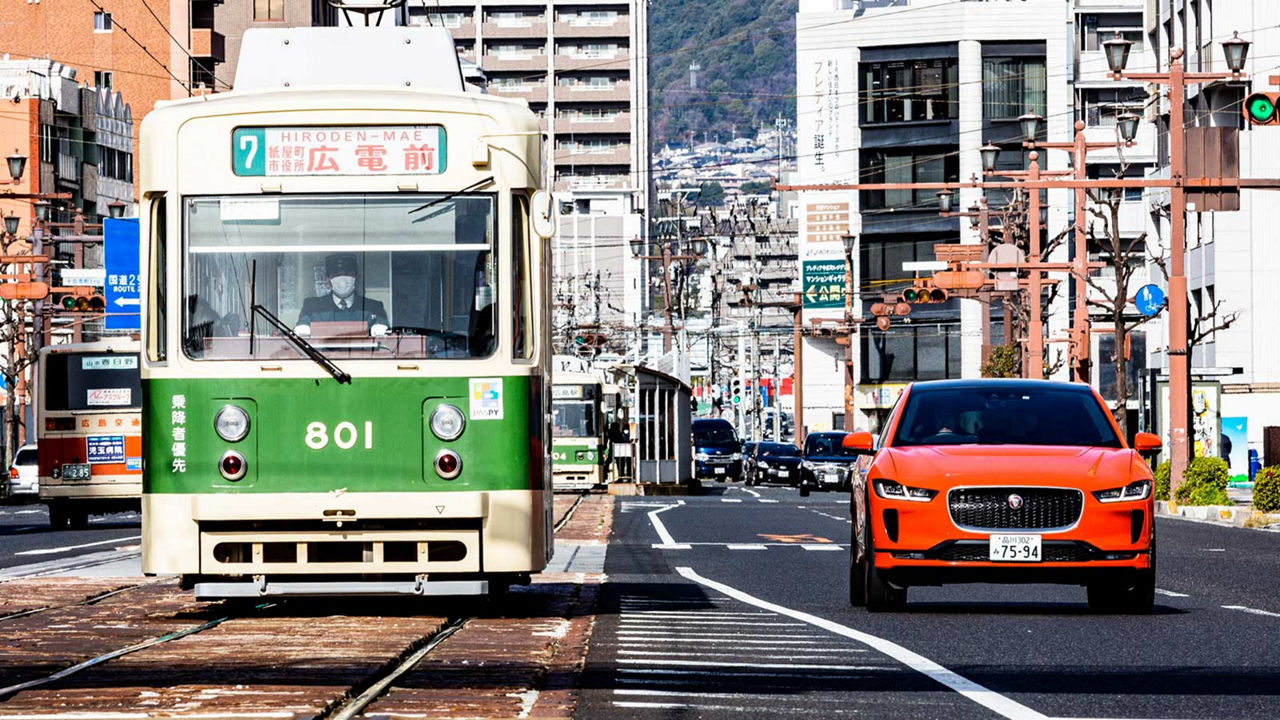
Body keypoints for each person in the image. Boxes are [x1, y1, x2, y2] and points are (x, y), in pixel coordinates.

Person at [294, 253, 388, 336]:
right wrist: (303, 328)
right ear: (328, 279)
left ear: (356, 276)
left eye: (347, 273)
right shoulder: (312, 307)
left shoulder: (373, 308)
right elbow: (303, 325)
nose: (342, 278)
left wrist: (380, 329)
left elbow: (383, 328)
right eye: (336, 274)